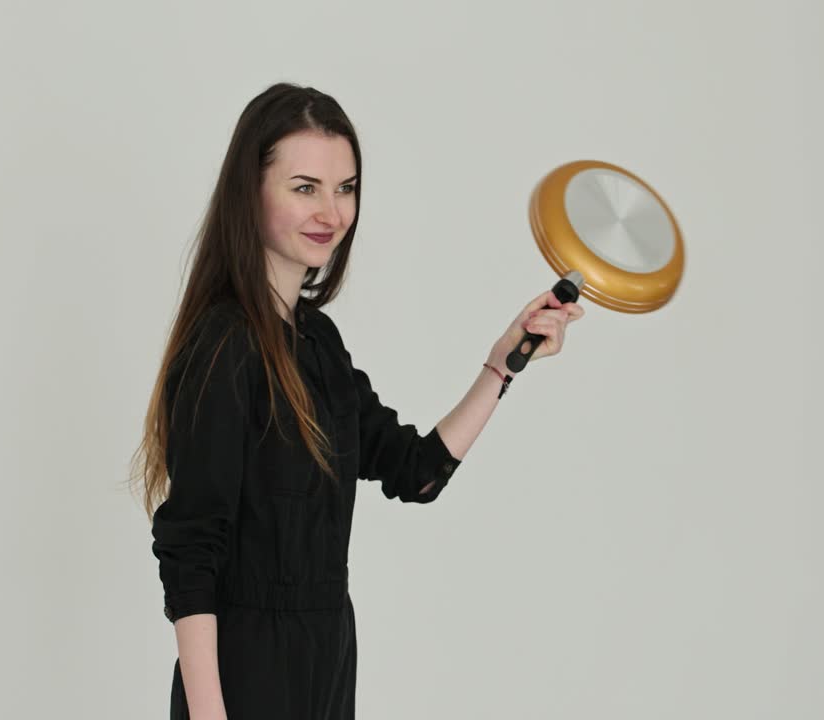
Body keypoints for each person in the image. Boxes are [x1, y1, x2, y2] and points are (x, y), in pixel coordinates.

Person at [131, 83, 584, 720]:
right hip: (244, 672)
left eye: (346, 188)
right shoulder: (224, 344)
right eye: (305, 187)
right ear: (249, 192)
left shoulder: (318, 342)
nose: (332, 212)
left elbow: (417, 472)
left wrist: (502, 363)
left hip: (327, 661)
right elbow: (190, 550)